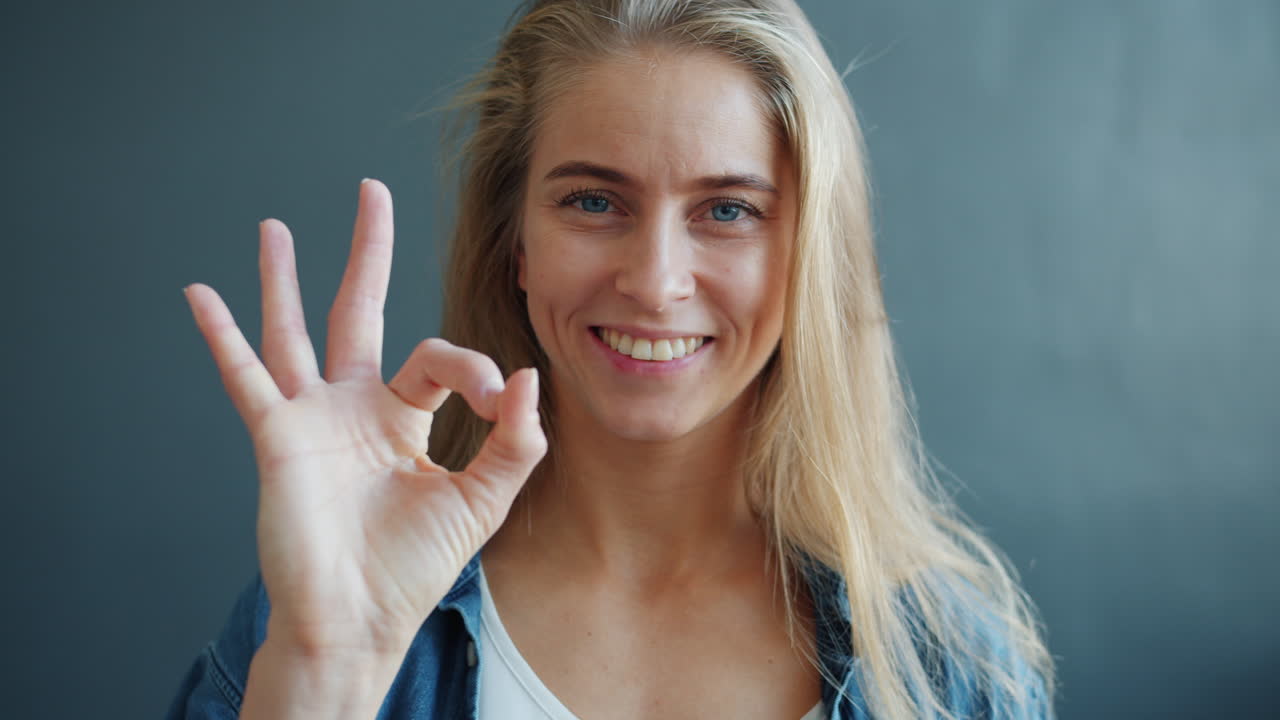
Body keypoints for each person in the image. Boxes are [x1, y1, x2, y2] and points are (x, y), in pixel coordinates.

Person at [167, 0, 1055, 718]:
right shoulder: (335, 597)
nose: (655, 281)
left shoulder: (951, 672)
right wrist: (325, 671)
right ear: (516, 243)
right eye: (594, 201)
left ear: (809, 259)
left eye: (729, 211)